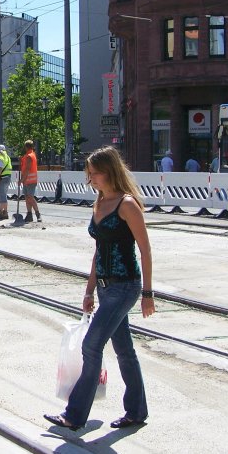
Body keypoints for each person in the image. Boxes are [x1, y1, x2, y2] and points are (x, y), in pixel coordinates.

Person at [44, 145, 154, 432]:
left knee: (91, 345)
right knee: (124, 350)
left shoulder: (127, 204)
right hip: (106, 288)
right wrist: (89, 290)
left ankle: (74, 415)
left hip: (126, 286)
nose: (91, 179)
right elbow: (98, 250)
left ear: (110, 172)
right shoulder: (100, 202)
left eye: (95, 174)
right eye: (89, 174)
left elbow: (145, 250)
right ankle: (137, 411)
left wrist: (147, 294)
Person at [20, 139, 41, 222]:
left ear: (26, 147)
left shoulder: (29, 156)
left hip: (29, 181)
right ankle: (29, 214)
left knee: (30, 198)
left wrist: (21, 180)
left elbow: (27, 169)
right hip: (28, 180)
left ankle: (37, 214)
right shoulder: (30, 155)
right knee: (27, 197)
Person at [0, 144, 12, 220]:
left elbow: (0, 168)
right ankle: (2, 212)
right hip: (7, 177)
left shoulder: (0, 157)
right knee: (3, 195)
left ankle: (4, 213)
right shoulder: (7, 157)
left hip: (1, 178)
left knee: (1, 196)